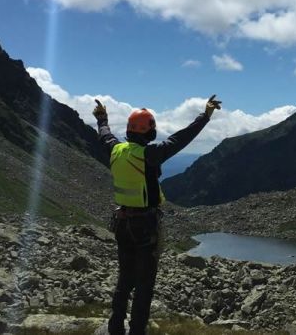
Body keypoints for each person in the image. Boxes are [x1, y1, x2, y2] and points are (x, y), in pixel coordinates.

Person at [92, 95, 222, 335]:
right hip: (146, 225)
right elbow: (180, 138)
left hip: (121, 223)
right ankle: (137, 331)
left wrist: (102, 118)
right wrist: (205, 116)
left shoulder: (115, 149)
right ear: (149, 131)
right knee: (144, 285)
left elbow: (105, 135)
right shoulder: (150, 154)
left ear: (130, 130)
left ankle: (115, 327)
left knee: (124, 279)